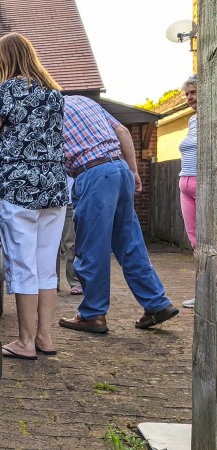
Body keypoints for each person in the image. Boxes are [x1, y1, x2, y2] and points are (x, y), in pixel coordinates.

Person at [58, 95, 178, 333]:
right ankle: (156, 303)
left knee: (91, 247)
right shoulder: (84, 101)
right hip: (119, 169)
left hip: (93, 173)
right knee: (130, 243)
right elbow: (122, 131)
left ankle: (93, 314)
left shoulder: (45, 109)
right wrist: (133, 171)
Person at [0, 33, 68, 360]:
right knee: (47, 267)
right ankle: (45, 338)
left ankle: (24, 342)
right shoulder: (55, 93)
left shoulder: (8, 90)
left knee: (22, 267)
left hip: (20, 187)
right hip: (55, 186)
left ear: (3, 60)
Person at [178, 75, 197, 308]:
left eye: (193, 92)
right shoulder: (192, 120)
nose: (189, 98)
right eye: (187, 94)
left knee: (211, 242)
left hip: (206, 184)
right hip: (185, 185)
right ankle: (203, 291)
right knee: (195, 242)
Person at [57, 175, 82, 295]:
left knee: (71, 243)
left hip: (70, 202)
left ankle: (75, 281)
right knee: (49, 245)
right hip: (51, 201)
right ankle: (51, 282)